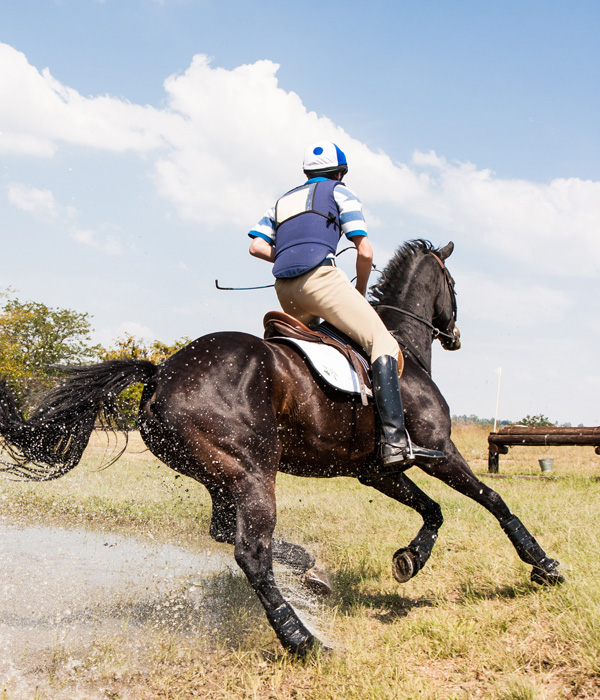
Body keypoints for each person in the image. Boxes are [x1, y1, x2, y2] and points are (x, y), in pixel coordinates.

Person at [248, 141, 444, 469]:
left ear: (306, 173)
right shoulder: (340, 193)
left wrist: (284, 254)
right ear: (340, 173)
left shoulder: (282, 201)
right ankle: (394, 441)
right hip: (322, 282)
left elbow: (256, 246)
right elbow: (365, 251)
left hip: (285, 290)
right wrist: (362, 289)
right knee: (382, 341)